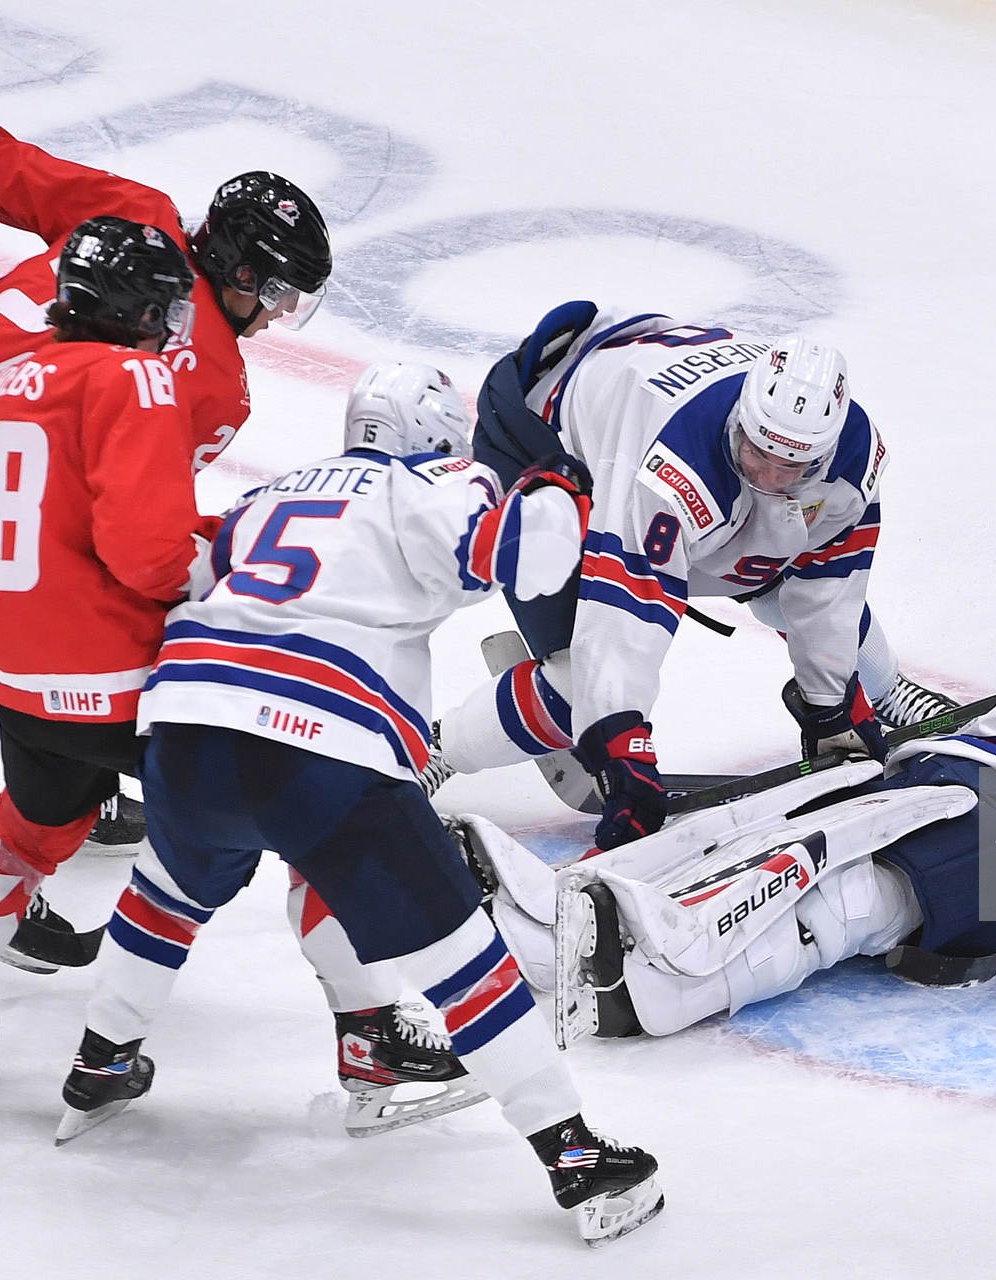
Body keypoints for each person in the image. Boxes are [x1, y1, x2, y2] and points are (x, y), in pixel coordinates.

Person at [54, 361, 663, 1245]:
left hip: (185, 727)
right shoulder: (430, 483)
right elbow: (536, 555)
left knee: (165, 899)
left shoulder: (267, 494)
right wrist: (556, 479)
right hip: (317, 747)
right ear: (433, 437)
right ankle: (575, 1158)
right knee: (467, 962)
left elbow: (189, 575)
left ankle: (100, 1060)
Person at [469, 546, 996, 1041]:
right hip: (952, 769)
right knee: (765, 822)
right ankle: (563, 913)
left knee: (856, 887)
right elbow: (987, 716)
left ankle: (656, 992)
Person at [0, 122, 332, 943]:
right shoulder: (209, 380)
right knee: (72, 666)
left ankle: (70, 786)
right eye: (277, 295)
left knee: (67, 659)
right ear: (240, 272)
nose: (275, 318)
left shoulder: (132, 216)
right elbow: (133, 537)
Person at [0, 216, 209, 1103]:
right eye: (168, 306)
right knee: (261, 808)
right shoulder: (134, 375)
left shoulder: (20, 374)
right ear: (137, 306)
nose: (175, 325)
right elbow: (149, 555)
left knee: (34, 823)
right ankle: (366, 1031)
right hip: (112, 677)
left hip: (21, 669)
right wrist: (217, 563)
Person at [429, 304, 948, 849]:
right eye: (758, 451)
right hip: (546, 442)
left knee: (783, 572)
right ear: (743, 419)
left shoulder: (851, 457)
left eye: (790, 466)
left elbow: (829, 587)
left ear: (825, 450)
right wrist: (620, 743)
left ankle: (887, 688)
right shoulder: (673, 466)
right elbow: (627, 620)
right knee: (577, 683)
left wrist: (831, 704)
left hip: (648, 393)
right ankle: (441, 748)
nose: (770, 475)